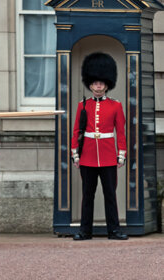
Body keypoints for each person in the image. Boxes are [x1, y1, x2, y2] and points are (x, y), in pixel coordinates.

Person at [71, 52, 128, 241]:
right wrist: (75, 153)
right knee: (88, 196)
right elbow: (77, 130)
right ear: (90, 84)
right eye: (95, 82)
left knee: (110, 195)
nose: (98, 86)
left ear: (107, 84)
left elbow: (120, 132)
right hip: (87, 156)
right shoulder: (83, 105)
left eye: (101, 83)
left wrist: (121, 154)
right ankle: (85, 231)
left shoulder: (115, 106)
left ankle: (114, 230)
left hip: (108, 156)